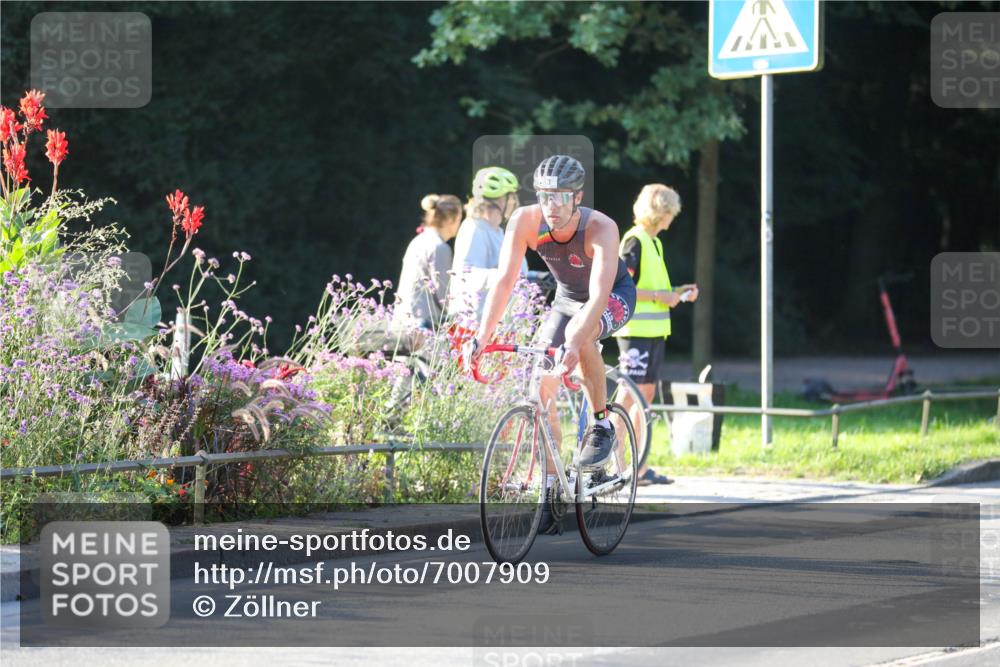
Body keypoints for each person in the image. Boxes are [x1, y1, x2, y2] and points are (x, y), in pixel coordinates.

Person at [464, 155, 636, 532]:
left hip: (611, 297)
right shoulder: (525, 221)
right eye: (544, 196)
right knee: (540, 392)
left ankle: (602, 424)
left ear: (577, 197)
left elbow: (598, 296)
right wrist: (481, 337)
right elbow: (505, 281)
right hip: (567, 299)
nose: (551, 206)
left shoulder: (600, 227)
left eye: (560, 197)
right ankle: (551, 489)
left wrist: (575, 341)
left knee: (580, 335)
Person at [614, 184, 699, 486]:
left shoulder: (654, 243)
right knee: (627, 397)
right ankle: (614, 463)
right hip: (635, 332)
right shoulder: (634, 241)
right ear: (661, 212)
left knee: (644, 398)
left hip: (653, 333)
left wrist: (676, 292)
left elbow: (653, 289)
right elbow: (621, 285)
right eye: (671, 212)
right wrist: (660, 297)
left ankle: (639, 466)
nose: (673, 218)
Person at [447, 167, 528, 319]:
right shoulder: (474, 228)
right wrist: (506, 276)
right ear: (501, 201)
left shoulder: (498, 233)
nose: (514, 203)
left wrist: (538, 277)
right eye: (512, 198)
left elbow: (511, 270)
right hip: (473, 322)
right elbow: (467, 274)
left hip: (497, 322)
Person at [391, 194, 463, 334]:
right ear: (450, 220)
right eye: (459, 219)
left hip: (402, 323)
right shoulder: (440, 248)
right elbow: (443, 295)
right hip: (423, 328)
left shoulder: (418, 241)